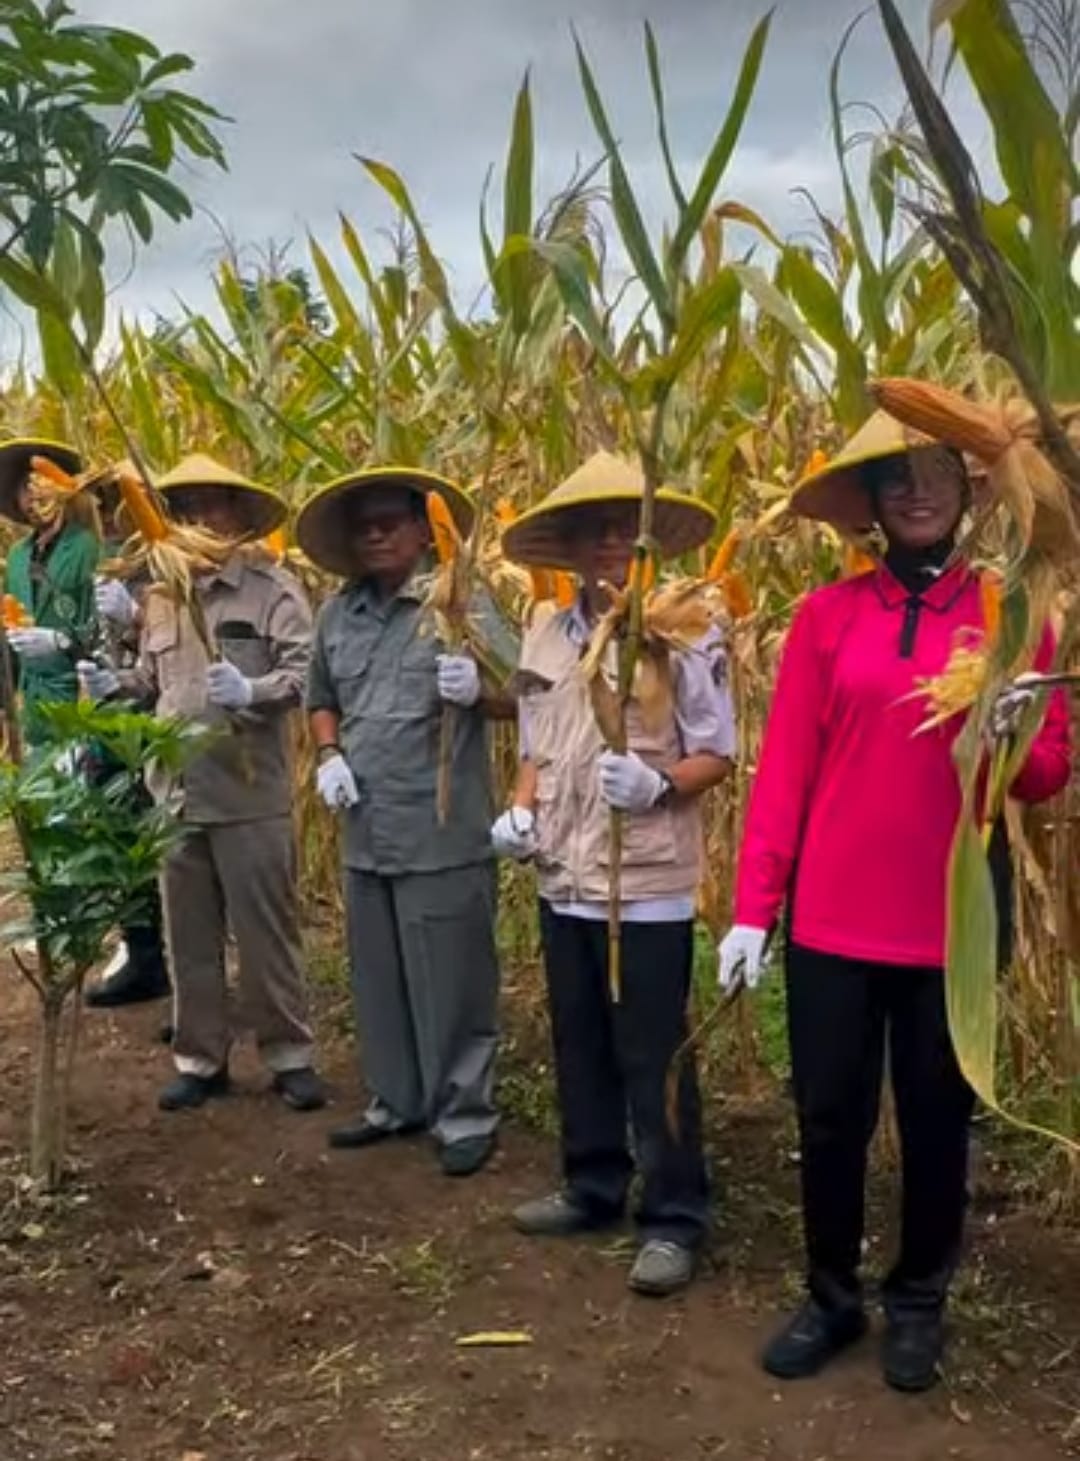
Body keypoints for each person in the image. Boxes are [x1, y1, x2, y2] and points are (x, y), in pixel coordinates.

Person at [717, 412, 1071, 1391]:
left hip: (952, 923)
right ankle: (832, 1295)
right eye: (895, 478)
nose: (917, 492)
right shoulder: (828, 619)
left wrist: (1011, 725)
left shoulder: (1014, 612)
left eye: (937, 474)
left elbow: (1046, 776)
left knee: (934, 1120)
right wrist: (755, 906)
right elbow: (785, 769)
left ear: (970, 492)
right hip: (831, 920)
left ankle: (919, 1301)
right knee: (828, 1115)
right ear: (869, 503)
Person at [494, 452, 733, 1297]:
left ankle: (674, 1214)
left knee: (653, 1052)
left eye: (618, 528)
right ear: (565, 545)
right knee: (580, 1038)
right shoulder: (543, 634)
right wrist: (520, 810)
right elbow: (534, 745)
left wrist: (659, 782)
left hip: (649, 881)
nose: (605, 544)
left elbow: (718, 753)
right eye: (589, 529)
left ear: (644, 540)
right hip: (564, 872)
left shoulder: (686, 627)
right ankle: (593, 1182)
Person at [79, 455, 325, 1114]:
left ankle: (289, 1053)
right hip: (176, 792)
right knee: (188, 935)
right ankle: (200, 1056)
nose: (199, 521)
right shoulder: (161, 597)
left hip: (249, 795)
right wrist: (114, 684)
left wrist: (254, 689)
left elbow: (305, 676)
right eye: (184, 509)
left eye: (212, 506)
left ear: (240, 515)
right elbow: (151, 683)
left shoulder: (271, 590)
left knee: (265, 932)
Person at [298, 465, 505, 1178]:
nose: (377, 533)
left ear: (425, 529)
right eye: (365, 525)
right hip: (366, 825)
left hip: (441, 826)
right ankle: (395, 1100)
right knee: (378, 975)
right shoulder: (336, 613)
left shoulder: (461, 602)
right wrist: (329, 753)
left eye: (391, 519)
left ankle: (465, 1112)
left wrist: (481, 688)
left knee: (452, 977)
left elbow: (526, 694)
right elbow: (320, 694)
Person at [84, 465, 170, 1011]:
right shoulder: (99, 563)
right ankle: (143, 956)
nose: (108, 510)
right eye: (99, 501)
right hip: (110, 716)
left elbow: (177, 638)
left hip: (155, 718)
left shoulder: (165, 561)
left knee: (164, 844)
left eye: (117, 498)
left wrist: (135, 615)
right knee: (122, 840)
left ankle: (183, 978)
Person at [0, 438, 97, 749]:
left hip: (78, 696)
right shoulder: (17, 556)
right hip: (33, 707)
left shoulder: (88, 547)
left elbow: (106, 627)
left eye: (39, 486)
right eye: (24, 489)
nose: (32, 497)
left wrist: (61, 641)